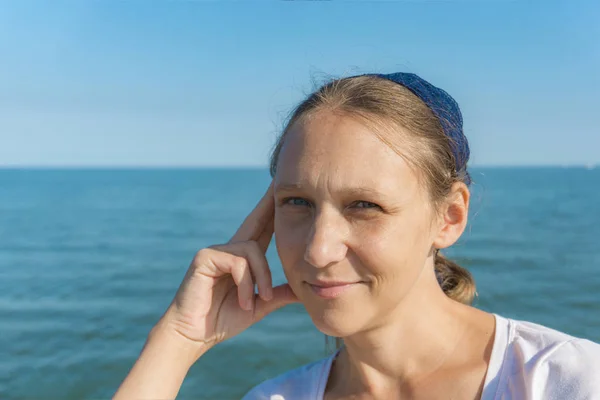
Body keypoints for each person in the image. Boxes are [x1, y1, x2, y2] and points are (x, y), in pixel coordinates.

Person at [113, 72, 600, 400]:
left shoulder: (565, 380)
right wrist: (178, 341)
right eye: (297, 203)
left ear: (449, 217)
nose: (318, 250)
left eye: (365, 206)